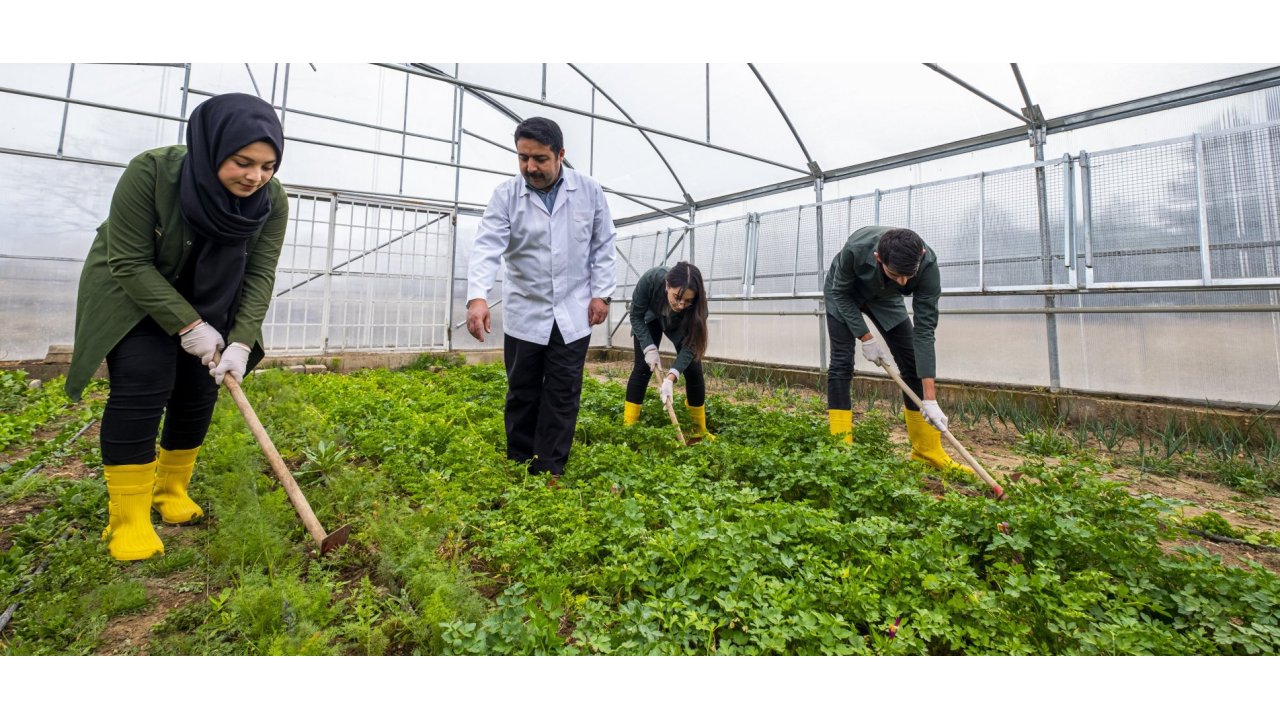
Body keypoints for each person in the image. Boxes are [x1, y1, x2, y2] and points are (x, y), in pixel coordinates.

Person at [66, 93, 288, 561]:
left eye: (267, 165)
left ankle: (171, 492)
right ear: (211, 149)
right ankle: (126, 519)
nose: (255, 177)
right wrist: (189, 325)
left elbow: (260, 273)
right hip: (134, 295)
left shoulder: (272, 201)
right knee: (144, 382)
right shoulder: (151, 173)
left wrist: (242, 341)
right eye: (242, 162)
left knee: (198, 390)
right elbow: (127, 260)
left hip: (215, 299)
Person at [466, 116, 617, 480]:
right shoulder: (506, 195)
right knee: (523, 390)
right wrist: (477, 297)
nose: (529, 167)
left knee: (563, 393)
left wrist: (602, 294)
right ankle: (520, 462)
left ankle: (550, 468)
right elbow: (487, 246)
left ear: (561, 155)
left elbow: (603, 243)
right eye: (523, 158)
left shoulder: (589, 190)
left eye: (539, 159)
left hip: (573, 308)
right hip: (526, 310)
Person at [823, 225, 970, 473]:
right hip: (844, 294)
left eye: (908, 276)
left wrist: (930, 399)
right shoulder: (856, 249)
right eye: (895, 273)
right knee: (841, 363)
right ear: (878, 258)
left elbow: (924, 331)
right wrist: (866, 337)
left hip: (885, 299)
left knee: (911, 363)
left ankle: (926, 451)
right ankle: (841, 448)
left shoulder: (928, 266)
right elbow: (840, 293)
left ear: (921, 254)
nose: (904, 282)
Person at [623, 262, 715, 440]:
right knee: (642, 368)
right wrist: (648, 347)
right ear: (667, 285)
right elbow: (636, 315)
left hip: (679, 324)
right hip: (650, 319)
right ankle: (629, 426)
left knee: (694, 369)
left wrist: (671, 377)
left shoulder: (697, 309)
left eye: (687, 300)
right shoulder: (650, 280)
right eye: (677, 297)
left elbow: (691, 345)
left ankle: (699, 431)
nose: (681, 304)